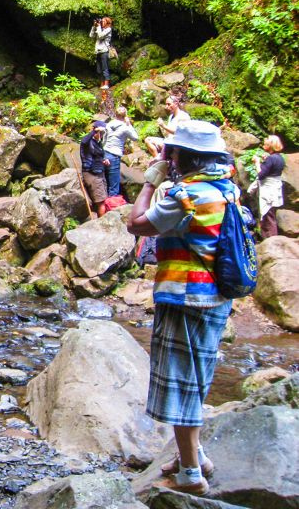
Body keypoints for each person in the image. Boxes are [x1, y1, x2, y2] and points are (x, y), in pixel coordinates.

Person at [127, 120, 238, 496]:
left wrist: (150, 179)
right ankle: (196, 454)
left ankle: (190, 474)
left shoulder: (185, 195)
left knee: (180, 383)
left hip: (185, 297)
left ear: (182, 157)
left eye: (172, 153)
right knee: (196, 379)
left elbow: (137, 224)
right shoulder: (227, 190)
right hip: (217, 297)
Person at [251, 135, 285, 238]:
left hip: (268, 190)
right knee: (270, 215)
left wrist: (257, 163)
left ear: (270, 145)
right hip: (275, 189)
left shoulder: (271, 158)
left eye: (266, 143)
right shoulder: (279, 157)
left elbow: (261, 175)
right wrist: (266, 161)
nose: (264, 145)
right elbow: (272, 170)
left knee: (267, 216)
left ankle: (271, 241)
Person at [104, 106, 139, 197]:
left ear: (115, 114)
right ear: (125, 115)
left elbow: (103, 140)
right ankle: (112, 207)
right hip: (115, 156)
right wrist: (129, 124)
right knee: (114, 185)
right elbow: (135, 138)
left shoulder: (109, 124)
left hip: (105, 153)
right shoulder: (125, 127)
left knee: (105, 180)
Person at [80, 120, 110, 216]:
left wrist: (104, 161)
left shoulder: (98, 143)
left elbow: (98, 156)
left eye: (103, 133)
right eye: (100, 133)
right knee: (101, 201)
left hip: (100, 172)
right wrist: (95, 131)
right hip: (91, 173)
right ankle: (102, 224)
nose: (102, 135)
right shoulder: (87, 142)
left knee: (104, 199)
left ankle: (102, 221)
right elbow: (83, 141)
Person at [89, 16, 113, 90]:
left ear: (107, 23)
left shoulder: (108, 29)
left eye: (103, 21)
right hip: (98, 52)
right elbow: (91, 36)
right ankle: (102, 84)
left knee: (105, 68)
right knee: (99, 69)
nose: (101, 22)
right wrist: (94, 26)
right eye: (101, 21)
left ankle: (106, 84)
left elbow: (101, 35)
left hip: (104, 51)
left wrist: (98, 27)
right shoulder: (100, 29)